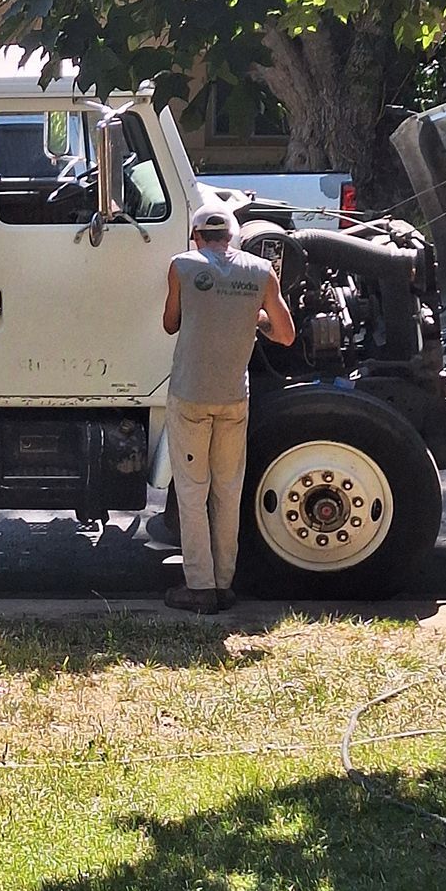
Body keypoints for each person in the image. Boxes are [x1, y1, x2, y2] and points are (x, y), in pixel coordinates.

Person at [162, 202, 296, 613]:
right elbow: (286, 335)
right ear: (234, 236)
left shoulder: (182, 265)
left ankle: (199, 587)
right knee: (228, 489)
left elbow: (170, 323)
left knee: (192, 490)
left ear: (197, 236)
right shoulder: (260, 271)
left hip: (189, 395)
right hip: (234, 397)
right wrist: (254, 317)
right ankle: (223, 583)